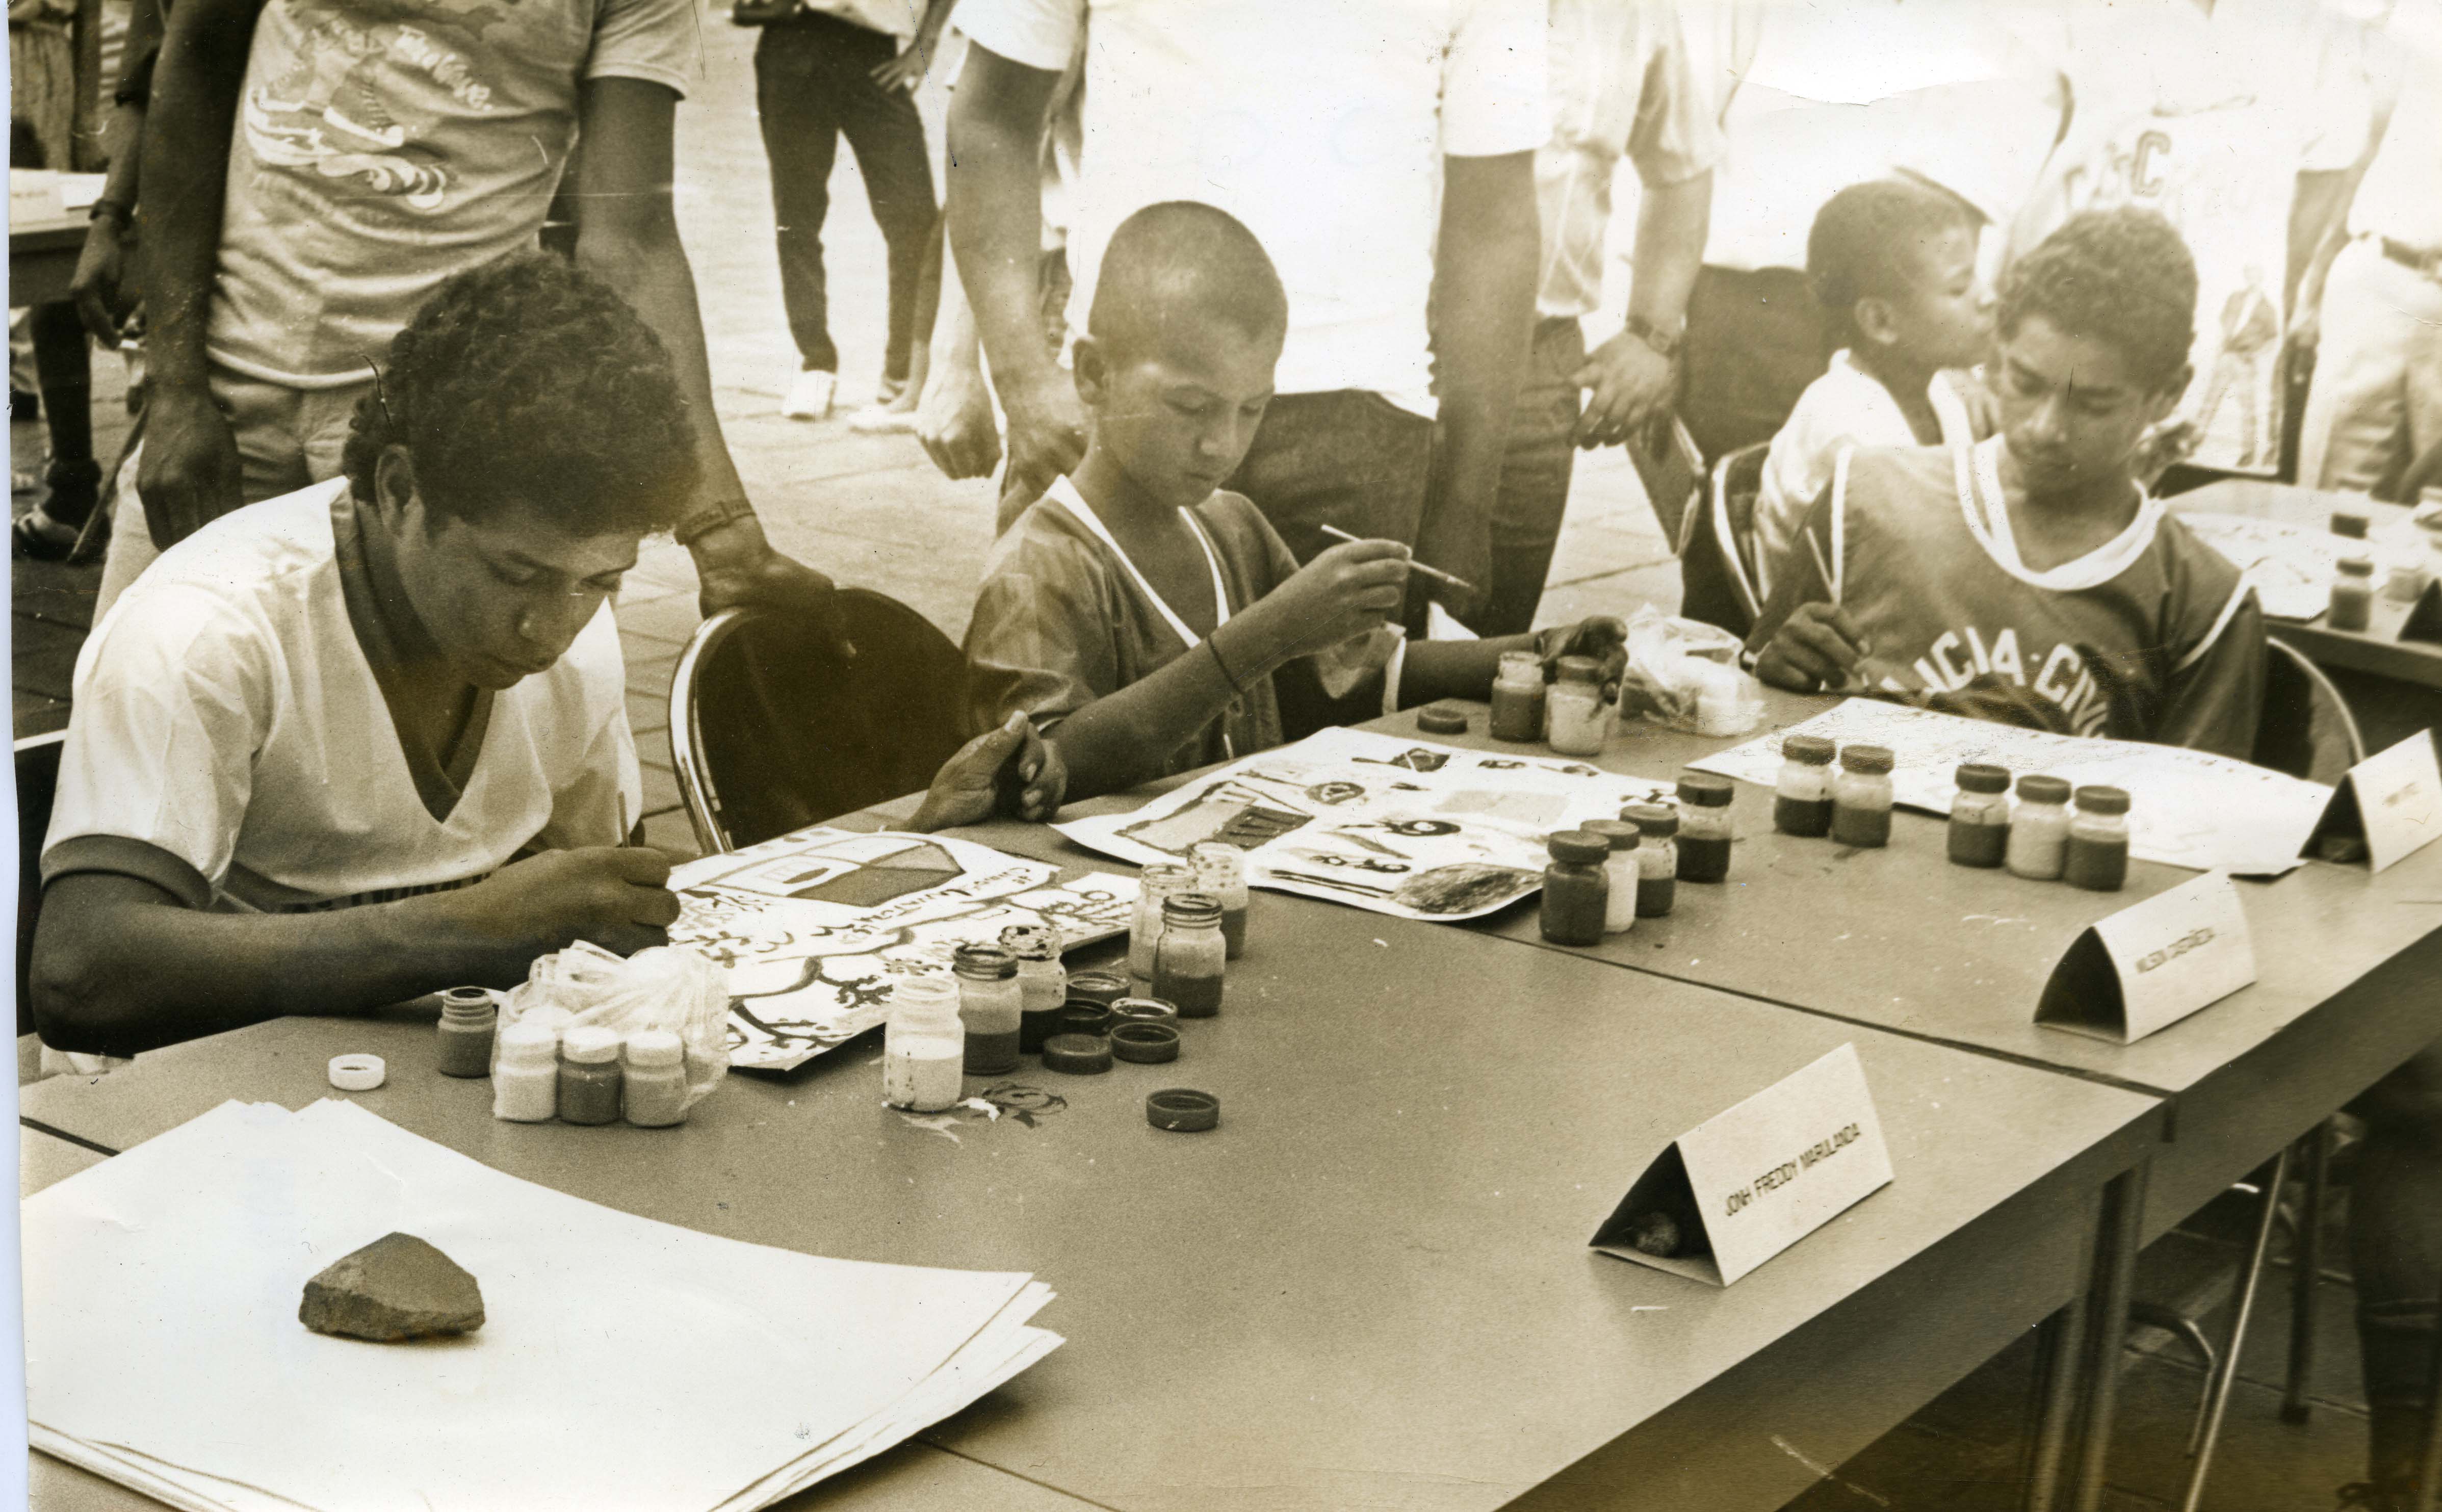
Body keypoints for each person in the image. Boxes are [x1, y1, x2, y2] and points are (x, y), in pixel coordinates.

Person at [29, 255, 1060, 1061]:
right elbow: (79, 972)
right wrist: (463, 929)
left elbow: (624, 910)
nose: (551, 628)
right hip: (192, 1114)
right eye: (515, 574)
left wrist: (904, 846)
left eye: (600, 580)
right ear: (400, 489)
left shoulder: (572, 627)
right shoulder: (207, 631)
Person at [115, 0, 845, 637]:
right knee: (147, 696)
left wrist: (722, 532)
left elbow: (630, 239)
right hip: (224, 393)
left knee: (412, 733)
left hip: (435, 431)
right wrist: (175, 388)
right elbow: (192, 79)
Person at [963, 203, 1623, 802]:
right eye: (1191, 406)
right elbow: (1042, 768)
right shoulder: (1037, 570)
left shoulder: (1232, 525)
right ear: (1092, 374)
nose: (1221, 444)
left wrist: (1537, 650)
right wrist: (1269, 634)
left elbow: (1365, 670)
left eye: (1252, 409)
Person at [946, 0, 1545, 619]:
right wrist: (1023, 383)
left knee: (1338, 682)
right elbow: (991, 120)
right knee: (1063, 667)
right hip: (1126, 399)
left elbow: (1495, 219)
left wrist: (1465, 504)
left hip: (1360, 422)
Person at [1747, 209, 2264, 760]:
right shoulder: (1867, 496)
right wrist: (1776, 675)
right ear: (1996, 354)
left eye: (2092, 404)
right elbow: (1753, 713)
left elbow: (2193, 807)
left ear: (2169, 394)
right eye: (2025, 382)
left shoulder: (2202, 603)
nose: (2044, 428)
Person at [2010, 0, 2366, 485]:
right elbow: (2033, 142)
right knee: (2063, 473)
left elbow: (2328, 168)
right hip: (2087, 299)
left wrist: (2274, 291)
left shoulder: (2319, 24)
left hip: (2220, 307)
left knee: (2198, 489)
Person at [1480, 0, 1718, 637]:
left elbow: (1682, 169)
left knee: (1494, 642)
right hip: (1383, 355)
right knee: (1348, 647)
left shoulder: (1634, 13)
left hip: (1536, 360)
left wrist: (1651, 335)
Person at [1752, 178, 1994, 599]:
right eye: (1959, 288)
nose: (1987, 297)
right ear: (1881, 322)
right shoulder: (1851, 433)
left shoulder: (1939, 392)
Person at [746, 0, 941, 422]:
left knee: (915, 220)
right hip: (794, 41)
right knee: (797, 216)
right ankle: (815, 364)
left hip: (874, 53)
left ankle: (901, 375)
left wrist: (925, 45)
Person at [2294, 1, 2442, 499]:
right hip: (2380, 275)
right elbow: (2358, 154)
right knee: (2333, 493)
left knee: (2434, 511)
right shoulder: (2418, 22)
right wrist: (2312, 290)